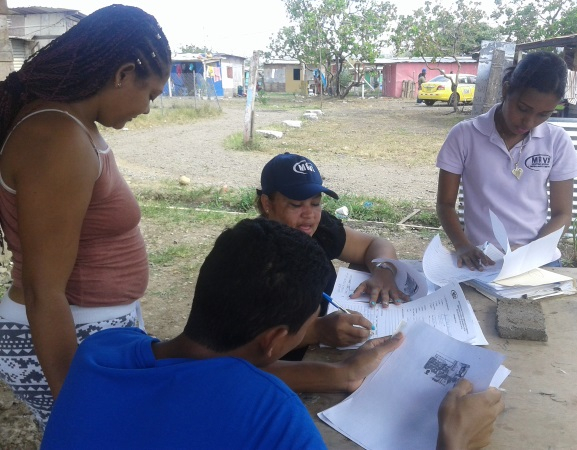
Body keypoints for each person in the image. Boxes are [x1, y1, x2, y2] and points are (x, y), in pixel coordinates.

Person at [41, 218, 504, 449]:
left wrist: (342, 373)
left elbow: (204, 374)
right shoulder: (268, 412)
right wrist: (453, 442)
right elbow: (234, 385)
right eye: (308, 328)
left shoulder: (101, 352)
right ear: (274, 340)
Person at [0, 5, 171, 428]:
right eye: (150, 95)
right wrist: (76, 404)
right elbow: (43, 291)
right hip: (69, 334)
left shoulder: (73, 126)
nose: (147, 110)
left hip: (90, 328)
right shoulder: (57, 138)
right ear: (123, 74)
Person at [436, 51, 577, 271]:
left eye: (543, 114)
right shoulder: (464, 136)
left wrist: (530, 252)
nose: (529, 121)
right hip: (482, 259)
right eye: (523, 109)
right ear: (506, 90)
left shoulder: (556, 141)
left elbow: (563, 214)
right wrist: (463, 246)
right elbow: (445, 204)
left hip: (539, 258)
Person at [256, 152, 406, 357]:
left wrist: (384, 270)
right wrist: (317, 332)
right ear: (267, 204)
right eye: (296, 204)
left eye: (315, 203)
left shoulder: (316, 229)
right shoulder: (251, 254)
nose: (309, 214)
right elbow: (247, 347)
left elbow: (375, 244)